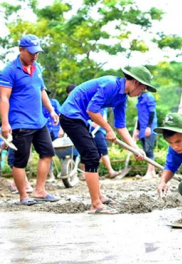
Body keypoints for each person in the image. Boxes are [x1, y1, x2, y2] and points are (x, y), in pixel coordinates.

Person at [59, 66, 153, 214]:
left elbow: (121, 127)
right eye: (143, 88)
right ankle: (95, 204)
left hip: (81, 119)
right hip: (71, 116)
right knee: (91, 155)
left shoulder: (122, 98)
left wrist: (135, 148)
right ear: (136, 82)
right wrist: (108, 129)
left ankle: (98, 196)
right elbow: (92, 110)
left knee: (93, 155)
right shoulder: (110, 84)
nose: (142, 92)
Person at [0, 34, 58, 206]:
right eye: (31, 52)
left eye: (37, 53)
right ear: (21, 50)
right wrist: (5, 123)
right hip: (21, 123)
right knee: (20, 161)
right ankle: (23, 196)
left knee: (47, 153)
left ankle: (40, 190)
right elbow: (4, 98)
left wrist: (51, 110)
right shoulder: (9, 71)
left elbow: (41, 91)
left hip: (39, 121)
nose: (34, 56)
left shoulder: (37, 68)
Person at [89, 108, 121, 178]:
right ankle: (110, 171)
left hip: (100, 131)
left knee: (100, 153)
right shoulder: (97, 104)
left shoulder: (104, 106)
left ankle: (105, 171)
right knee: (101, 151)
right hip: (94, 131)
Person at [134, 90, 158, 179]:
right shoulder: (139, 99)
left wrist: (148, 127)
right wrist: (137, 130)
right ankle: (153, 172)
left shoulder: (149, 96)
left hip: (149, 129)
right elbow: (140, 116)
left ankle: (149, 173)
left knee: (149, 151)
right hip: (142, 129)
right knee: (145, 150)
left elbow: (152, 112)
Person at [43, 89, 61, 183]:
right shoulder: (38, 104)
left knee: (61, 153)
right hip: (45, 131)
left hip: (56, 130)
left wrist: (62, 129)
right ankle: (51, 175)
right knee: (47, 153)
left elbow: (61, 115)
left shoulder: (54, 102)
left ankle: (65, 173)